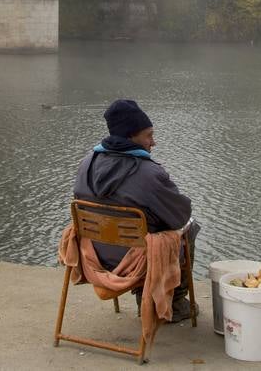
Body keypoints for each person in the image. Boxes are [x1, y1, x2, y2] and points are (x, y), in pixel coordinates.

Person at [74, 98, 198, 322]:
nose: (154, 142)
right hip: (138, 260)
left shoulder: (87, 163)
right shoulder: (148, 174)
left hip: (95, 255)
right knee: (190, 228)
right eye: (149, 135)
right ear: (131, 136)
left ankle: (146, 294)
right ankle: (173, 303)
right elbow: (181, 216)